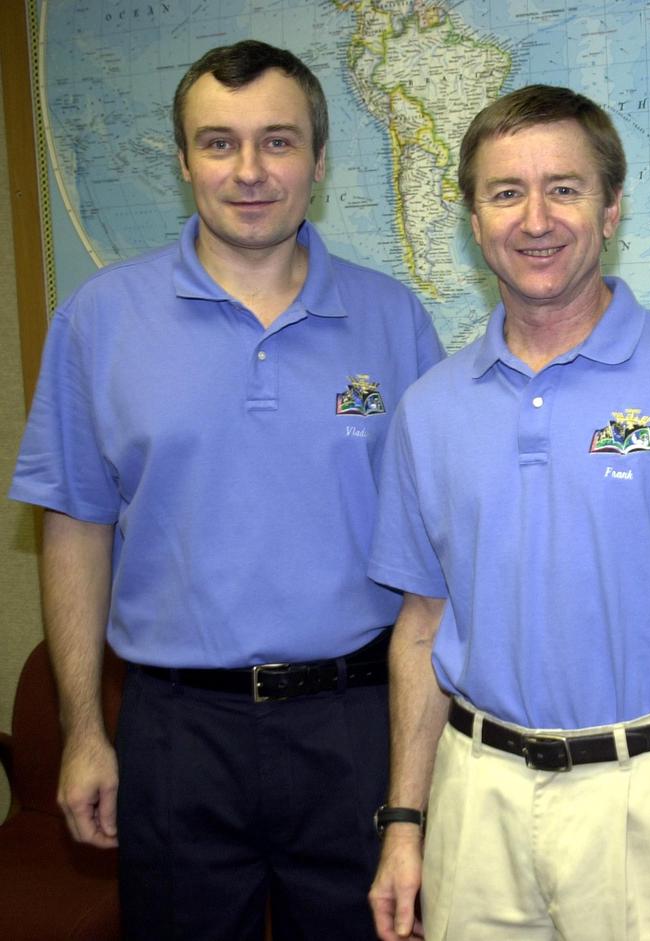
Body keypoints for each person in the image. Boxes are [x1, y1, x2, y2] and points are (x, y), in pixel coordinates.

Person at [9, 39, 444, 940]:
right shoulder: (99, 319)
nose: (249, 171)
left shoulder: (394, 319)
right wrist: (85, 728)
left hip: (356, 725)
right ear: (183, 162)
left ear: (319, 164)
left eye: (278, 142)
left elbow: (436, 548)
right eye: (219, 143)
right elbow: (77, 529)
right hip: (175, 732)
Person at [365, 85, 650, 941]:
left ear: (612, 210)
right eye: (506, 193)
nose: (536, 219)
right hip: (477, 795)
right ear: (472, 218)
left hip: (649, 797)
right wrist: (404, 825)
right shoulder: (430, 408)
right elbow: (421, 628)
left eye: (564, 188)